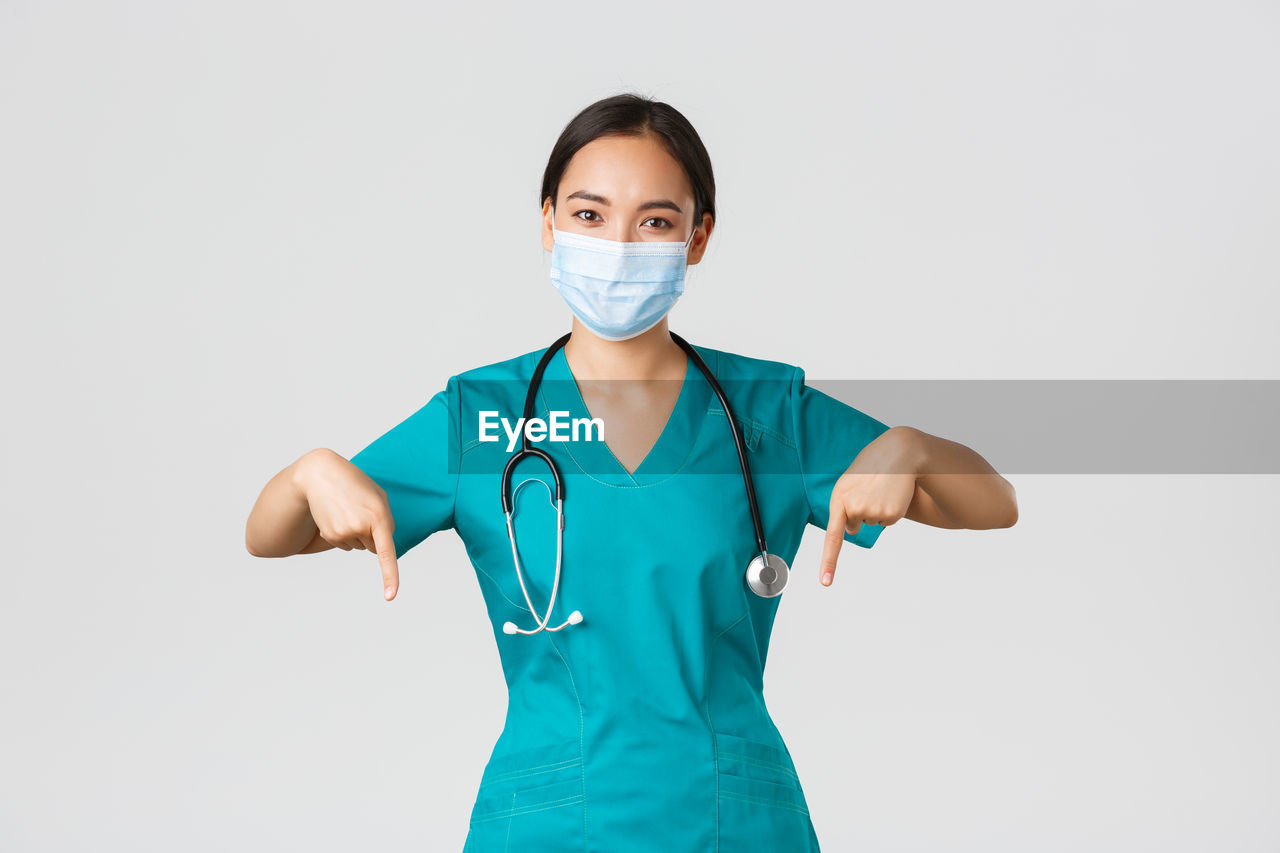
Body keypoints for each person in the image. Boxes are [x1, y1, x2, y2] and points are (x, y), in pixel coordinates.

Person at [245, 93, 1018, 852]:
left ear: (698, 236)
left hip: (735, 820)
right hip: (548, 818)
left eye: (655, 220)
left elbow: (994, 502)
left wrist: (911, 446)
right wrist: (308, 472)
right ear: (547, 221)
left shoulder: (766, 413)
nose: (618, 243)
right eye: (589, 214)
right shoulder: (483, 417)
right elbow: (274, 535)